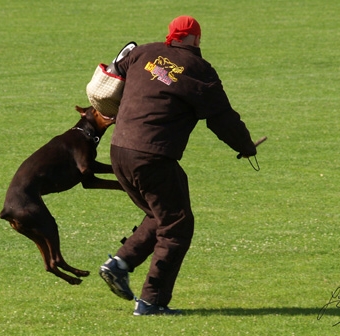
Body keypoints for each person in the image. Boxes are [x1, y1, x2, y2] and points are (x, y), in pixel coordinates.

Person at [98, 15, 257, 316]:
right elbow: (222, 117)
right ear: (196, 39)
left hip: (120, 150)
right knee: (177, 226)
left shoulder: (142, 53)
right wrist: (245, 147)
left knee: (160, 214)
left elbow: (111, 76)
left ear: (171, 35)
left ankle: (119, 264)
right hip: (152, 155)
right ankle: (151, 302)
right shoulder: (199, 70)